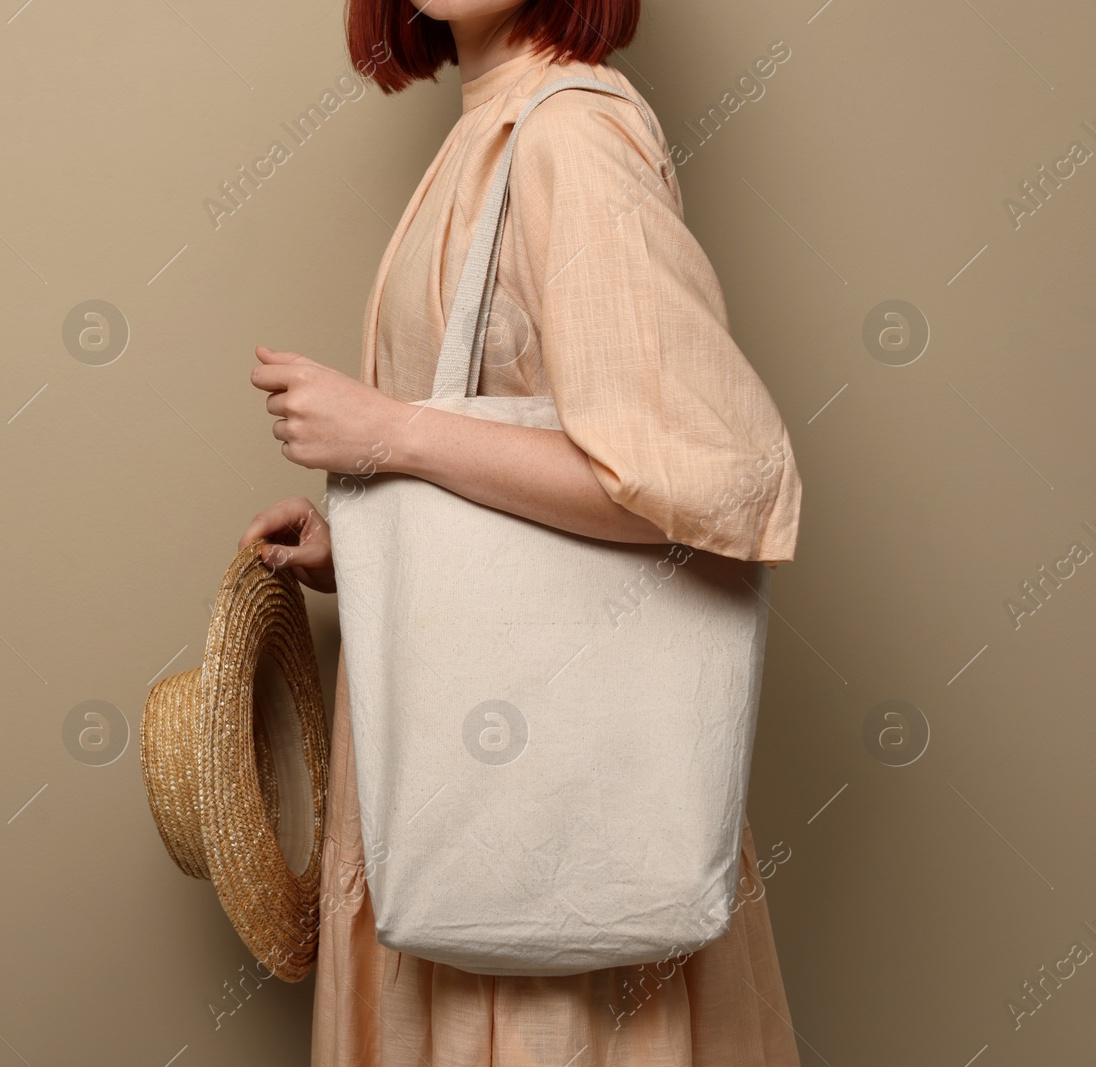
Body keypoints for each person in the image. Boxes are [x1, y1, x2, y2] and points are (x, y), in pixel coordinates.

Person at [240, 1, 804, 1063]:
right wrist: (362, 542)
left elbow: (694, 488)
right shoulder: (489, 127)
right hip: (465, 778)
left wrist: (390, 433)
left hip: (535, 814)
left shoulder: (569, 137)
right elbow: (533, 455)